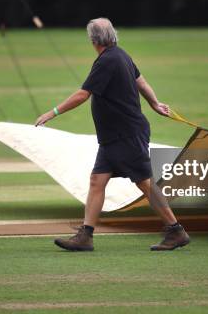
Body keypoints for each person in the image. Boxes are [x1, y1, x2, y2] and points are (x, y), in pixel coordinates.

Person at [35, 18, 190, 251]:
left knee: (145, 183)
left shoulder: (107, 61)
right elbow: (142, 81)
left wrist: (52, 112)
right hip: (112, 137)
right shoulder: (121, 55)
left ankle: (176, 230)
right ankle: (85, 236)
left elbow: (83, 94)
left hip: (126, 134)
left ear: (93, 39)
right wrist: (155, 103)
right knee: (97, 181)